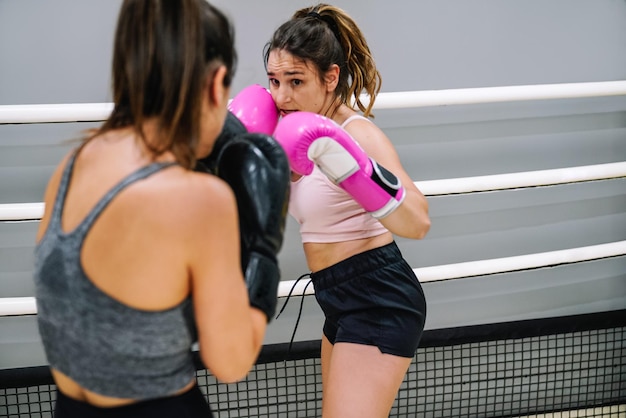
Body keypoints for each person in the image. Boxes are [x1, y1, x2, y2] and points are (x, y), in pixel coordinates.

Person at [33, 1, 289, 417]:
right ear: (216, 82)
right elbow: (231, 361)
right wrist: (264, 249)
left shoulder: (74, 163)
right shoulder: (200, 200)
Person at [266, 4, 431, 417]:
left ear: (331, 77)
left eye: (295, 81)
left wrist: (352, 169)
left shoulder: (357, 135)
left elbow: (419, 220)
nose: (280, 95)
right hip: (336, 295)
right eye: (273, 81)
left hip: (379, 297)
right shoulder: (291, 129)